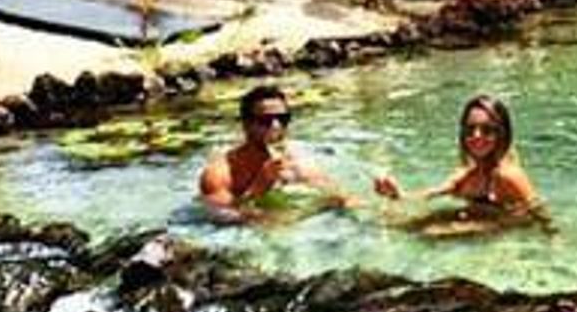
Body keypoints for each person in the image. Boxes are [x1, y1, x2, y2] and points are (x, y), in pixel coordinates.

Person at [373, 94, 543, 224]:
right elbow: (435, 192)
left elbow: (540, 212)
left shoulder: (508, 175)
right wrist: (397, 195)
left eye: (487, 130)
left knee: (430, 232)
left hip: (502, 228)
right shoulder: (469, 172)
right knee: (407, 224)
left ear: (502, 134)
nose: (477, 136)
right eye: (470, 129)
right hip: (480, 222)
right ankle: (351, 204)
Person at [199, 84, 347, 221]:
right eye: (265, 120)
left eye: (283, 119)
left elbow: (339, 196)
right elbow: (220, 215)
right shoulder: (219, 173)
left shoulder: (297, 163)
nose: (276, 126)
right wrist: (259, 186)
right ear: (246, 124)